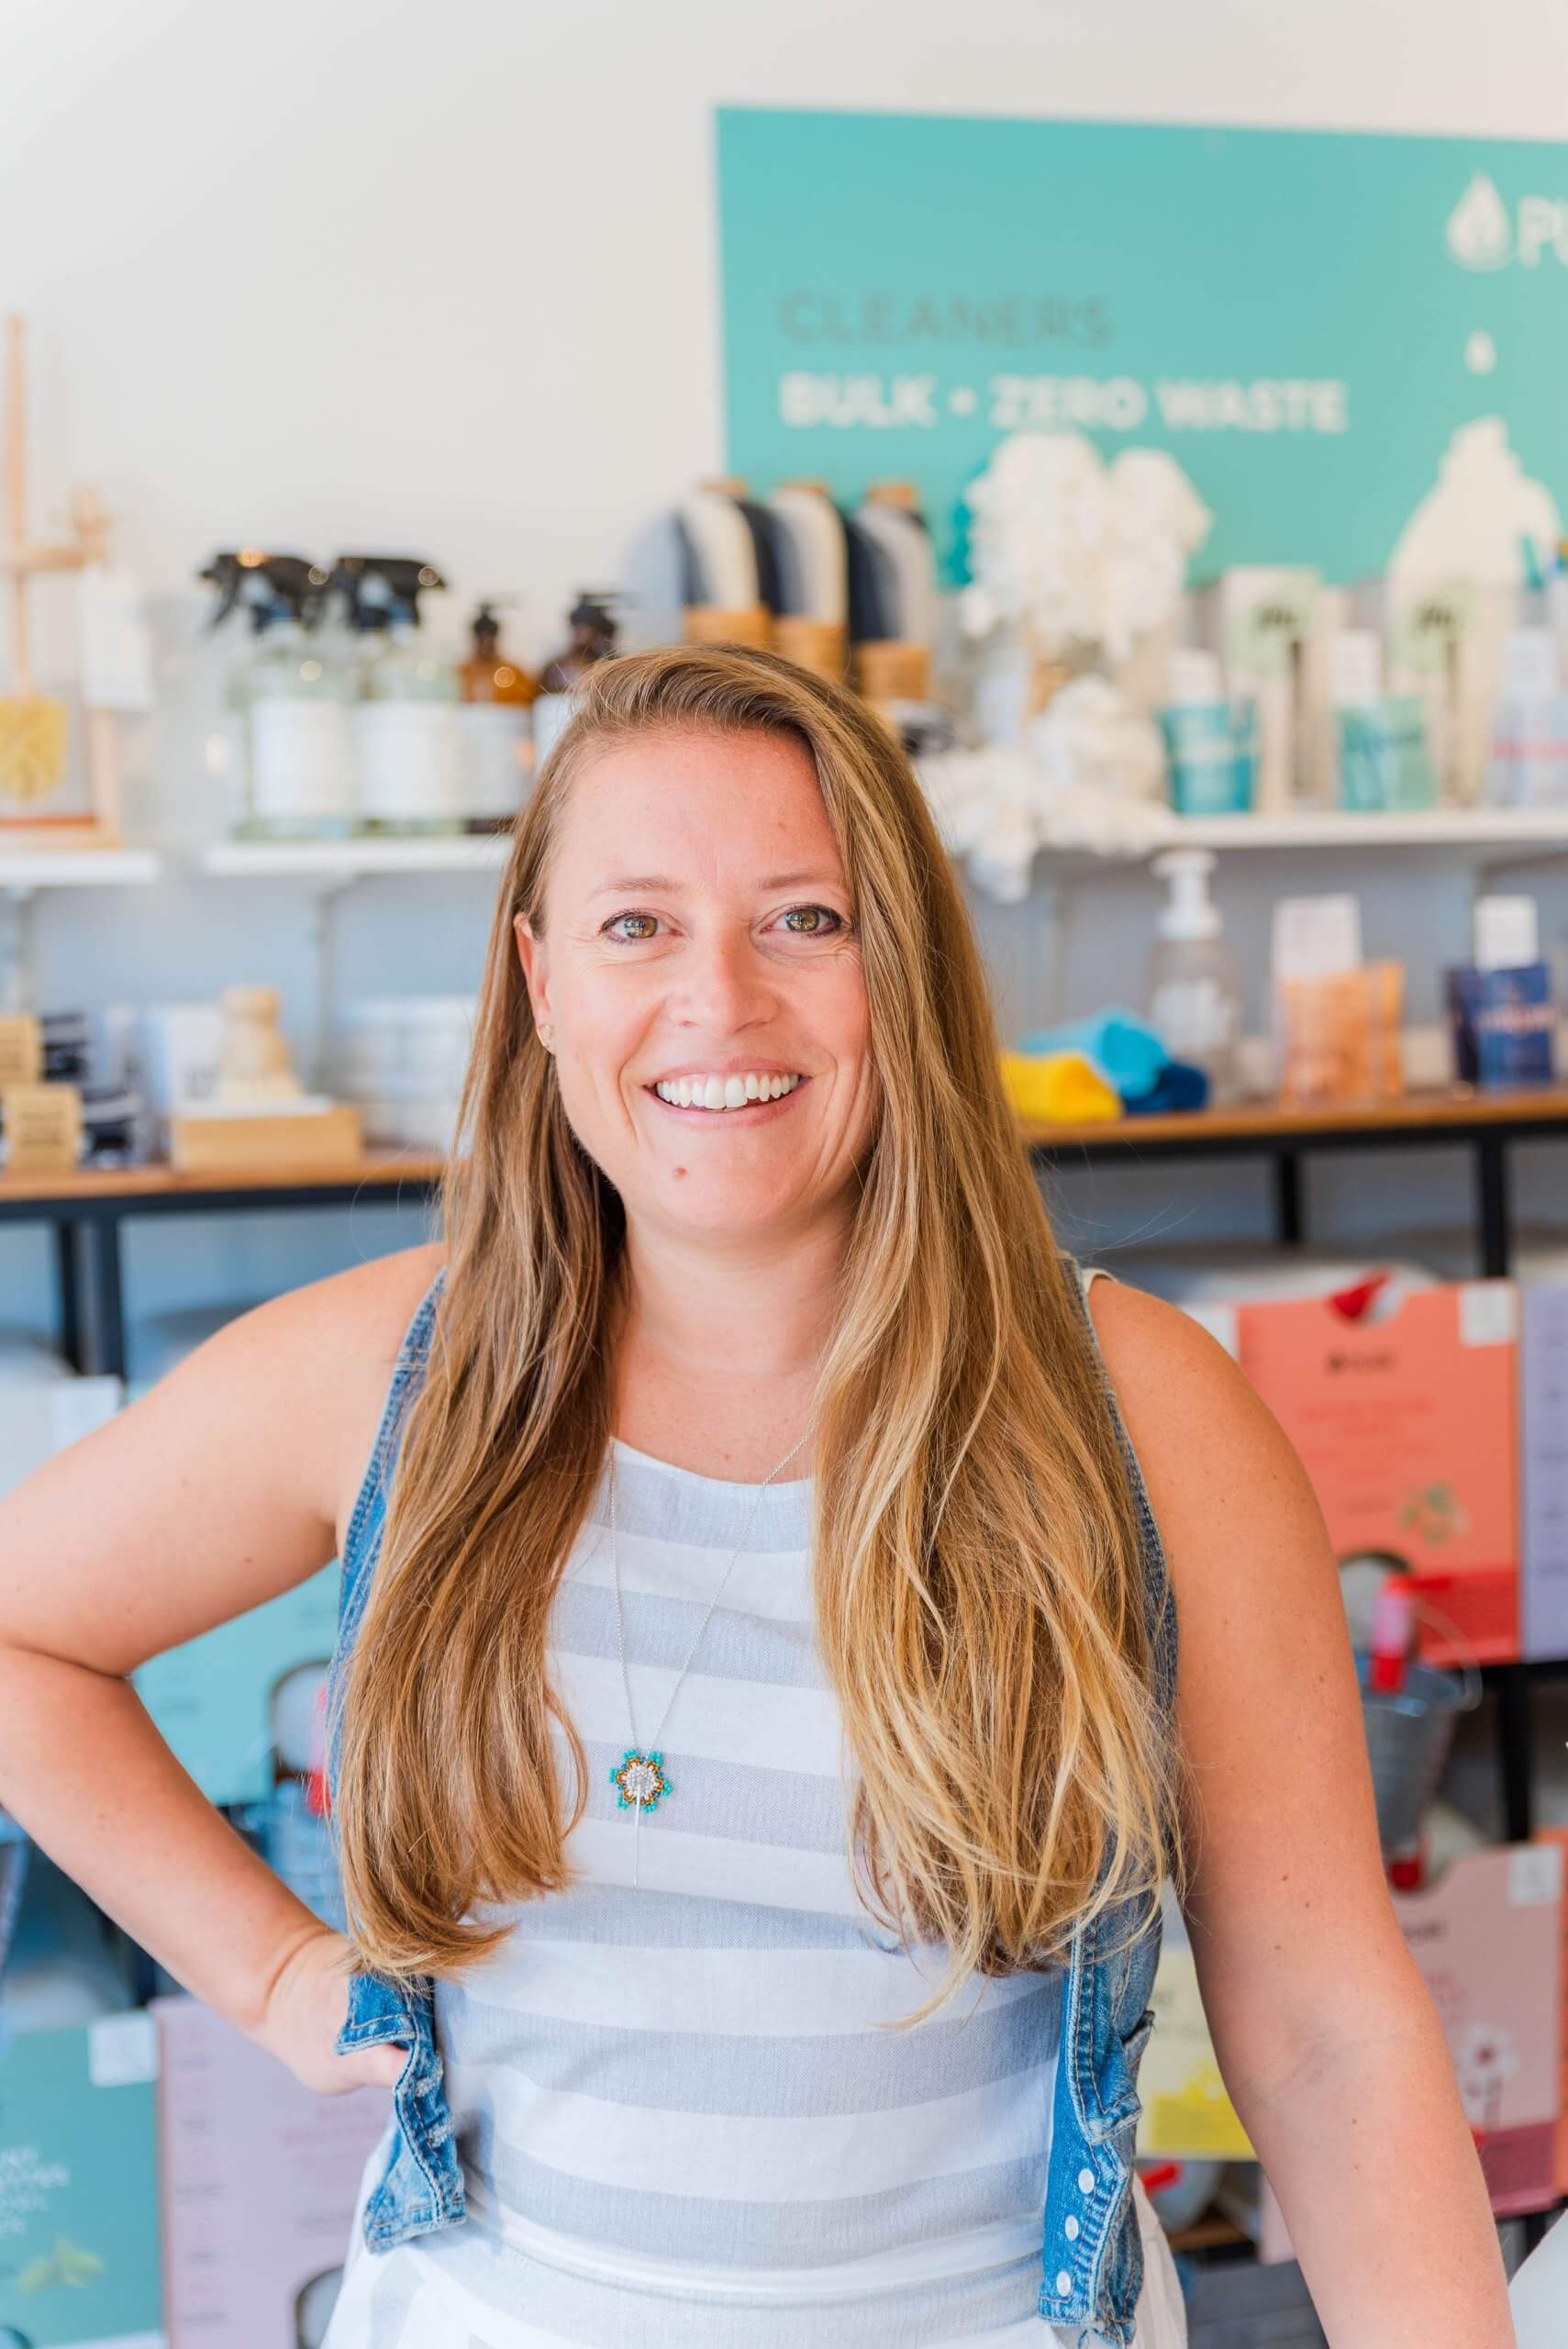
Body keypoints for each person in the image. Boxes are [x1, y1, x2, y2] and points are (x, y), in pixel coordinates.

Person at [0, 646, 1513, 2348]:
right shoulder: (380, 1381)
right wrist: (269, 1973)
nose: (717, 1000)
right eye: (635, 924)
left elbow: (1319, 2024)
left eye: (805, 918)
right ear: (540, 981)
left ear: (908, 972)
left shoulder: (1137, 1414)